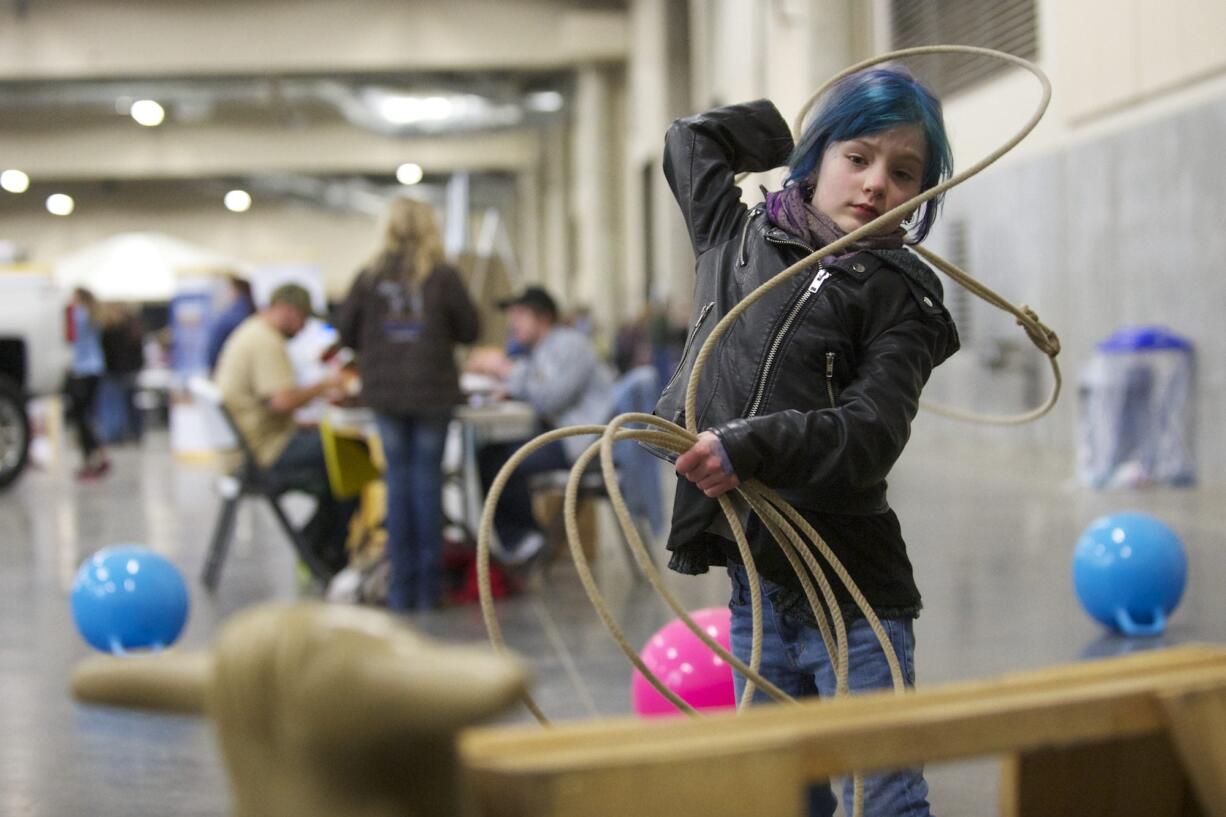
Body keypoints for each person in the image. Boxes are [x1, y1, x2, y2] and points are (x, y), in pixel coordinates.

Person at [659, 67, 959, 817]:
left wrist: (747, 445)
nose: (875, 185)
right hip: (757, 586)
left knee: (883, 799)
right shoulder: (735, 236)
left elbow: (870, 433)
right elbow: (690, 142)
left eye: (903, 172)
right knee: (776, 797)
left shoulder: (904, 297)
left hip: (853, 597)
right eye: (856, 157)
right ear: (820, 154)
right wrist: (786, 131)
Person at [335, 197, 480, 612]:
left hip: (385, 393)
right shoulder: (443, 275)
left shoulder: (368, 276)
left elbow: (345, 333)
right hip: (433, 392)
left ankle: (401, 590)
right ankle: (429, 589)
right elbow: (469, 329)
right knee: (427, 484)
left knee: (397, 485)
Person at [466, 285, 614, 563]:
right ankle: (523, 538)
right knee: (491, 454)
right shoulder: (541, 350)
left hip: (583, 443)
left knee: (500, 461)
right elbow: (537, 387)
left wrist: (504, 369)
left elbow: (549, 399)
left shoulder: (570, 344)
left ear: (543, 317)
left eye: (520, 314)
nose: (513, 322)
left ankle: (524, 539)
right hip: (563, 436)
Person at [213, 283, 354, 576]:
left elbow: (264, 406)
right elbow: (281, 401)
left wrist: (305, 423)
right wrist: (325, 385)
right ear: (289, 311)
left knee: (340, 467)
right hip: (265, 454)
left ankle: (315, 547)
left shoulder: (249, 333)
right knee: (354, 459)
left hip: (251, 447)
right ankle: (322, 554)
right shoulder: (266, 342)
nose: (303, 329)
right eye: (303, 319)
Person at [66, 287, 111, 480]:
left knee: (81, 418)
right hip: (95, 369)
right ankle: (99, 455)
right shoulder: (95, 315)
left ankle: (92, 459)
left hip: (81, 371)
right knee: (89, 415)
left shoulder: (78, 315)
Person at [98, 304, 145, 444]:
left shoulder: (111, 330)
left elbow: (108, 353)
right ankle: (133, 432)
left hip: (115, 372)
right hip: (130, 371)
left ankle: (116, 434)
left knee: (115, 405)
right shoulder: (134, 330)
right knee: (131, 403)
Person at [206, 275, 255, 372]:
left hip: (229, 369)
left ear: (234, 290)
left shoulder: (230, 315)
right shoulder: (252, 313)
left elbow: (213, 349)